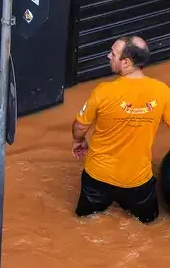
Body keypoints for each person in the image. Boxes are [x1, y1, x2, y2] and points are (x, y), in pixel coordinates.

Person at [72, 36, 170, 223]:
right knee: (149, 224)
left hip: (97, 178)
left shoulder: (102, 91)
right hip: (137, 182)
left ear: (126, 62)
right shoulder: (162, 92)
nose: (109, 56)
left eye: (113, 54)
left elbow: (80, 125)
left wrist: (78, 141)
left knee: (83, 222)